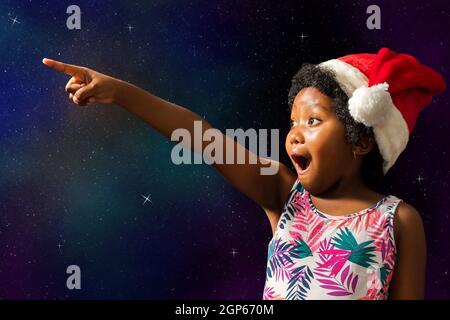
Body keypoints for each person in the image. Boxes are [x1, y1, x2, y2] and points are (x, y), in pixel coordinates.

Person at [42, 47, 446, 299]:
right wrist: (122, 93)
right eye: (292, 123)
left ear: (360, 139)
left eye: (313, 121)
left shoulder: (399, 221)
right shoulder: (283, 195)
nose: (294, 136)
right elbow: (203, 137)